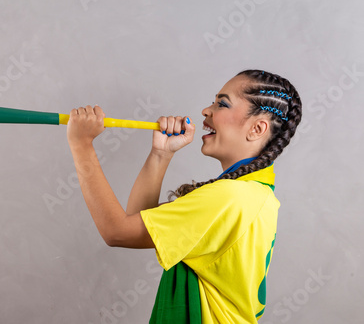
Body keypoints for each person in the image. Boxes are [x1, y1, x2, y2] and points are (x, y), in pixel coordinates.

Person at [66, 69, 302, 323]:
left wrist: (81, 144)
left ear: (257, 128)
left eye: (222, 104)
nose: (206, 111)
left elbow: (117, 231)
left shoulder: (229, 196)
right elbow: (140, 222)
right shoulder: (256, 192)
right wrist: (161, 153)